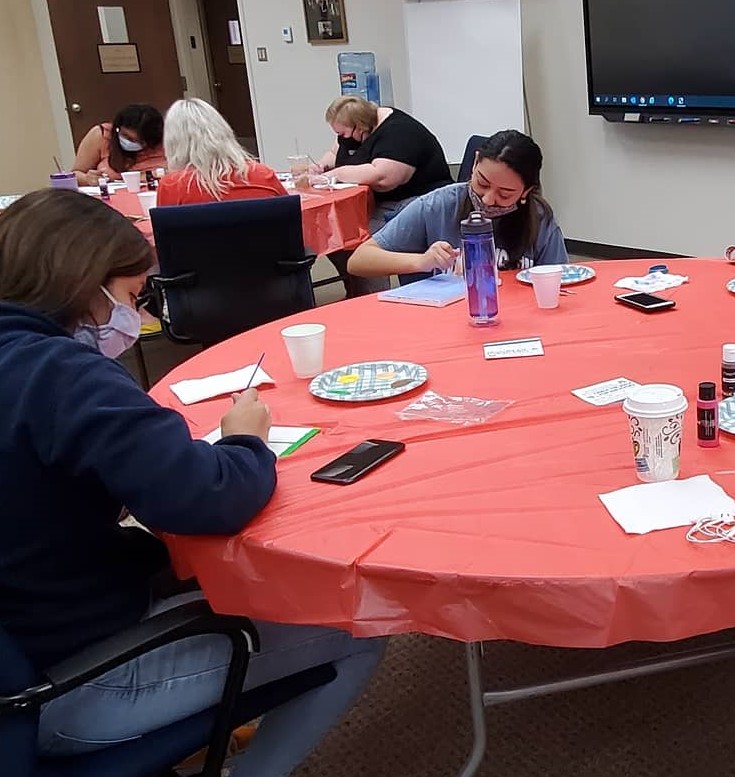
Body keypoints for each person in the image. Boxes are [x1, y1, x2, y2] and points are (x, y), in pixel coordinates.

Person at [0, 189, 385, 777]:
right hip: (63, 688)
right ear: (82, 284)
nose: (139, 317)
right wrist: (245, 440)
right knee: (359, 624)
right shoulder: (60, 375)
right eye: (130, 297)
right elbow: (209, 498)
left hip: (31, 647)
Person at [348, 129, 567, 283]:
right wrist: (421, 262)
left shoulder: (539, 218)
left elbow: (562, 280)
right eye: (482, 183)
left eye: (505, 193)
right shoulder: (437, 206)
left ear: (526, 192)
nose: (488, 199)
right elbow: (359, 261)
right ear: (475, 163)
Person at [314, 95, 453, 296]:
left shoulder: (400, 133)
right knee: (336, 234)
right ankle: (355, 290)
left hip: (416, 199)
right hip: (376, 201)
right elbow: (335, 154)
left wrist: (335, 175)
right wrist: (320, 167)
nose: (342, 138)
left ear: (359, 127)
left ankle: (371, 295)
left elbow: (384, 178)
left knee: (360, 239)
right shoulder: (352, 133)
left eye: (343, 133)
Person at [157, 98, 286, 205]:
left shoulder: (172, 185)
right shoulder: (263, 175)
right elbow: (291, 218)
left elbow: (164, 233)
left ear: (172, 142)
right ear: (224, 132)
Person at [71, 103, 167, 187]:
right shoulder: (101, 135)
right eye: (125, 136)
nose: (130, 142)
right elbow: (75, 174)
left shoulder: (165, 139)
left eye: (138, 141)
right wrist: (87, 179)